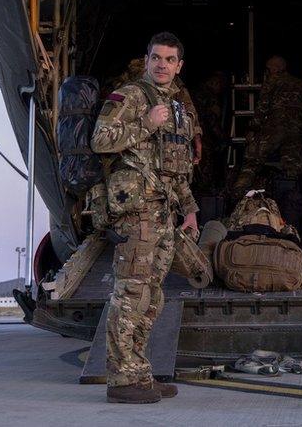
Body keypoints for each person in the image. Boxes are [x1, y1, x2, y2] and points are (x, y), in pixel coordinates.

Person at [91, 32, 199, 404]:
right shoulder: (132, 96)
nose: (162, 65)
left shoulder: (177, 105)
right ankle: (121, 380)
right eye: (156, 58)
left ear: (179, 65)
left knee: (152, 297)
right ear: (147, 59)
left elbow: (175, 165)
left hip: (165, 213)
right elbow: (100, 139)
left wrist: (190, 208)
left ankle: (139, 373)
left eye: (170, 59)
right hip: (138, 213)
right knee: (131, 293)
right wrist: (146, 124)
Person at [229, 55, 302, 224]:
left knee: (250, 163)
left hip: (273, 130)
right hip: (294, 132)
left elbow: (262, 107)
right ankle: (291, 221)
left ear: (275, 68)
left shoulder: (273, 81)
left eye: (268, 68)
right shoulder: (300, 84)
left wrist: (252, 129)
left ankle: (235, 206)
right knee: (291, 175)